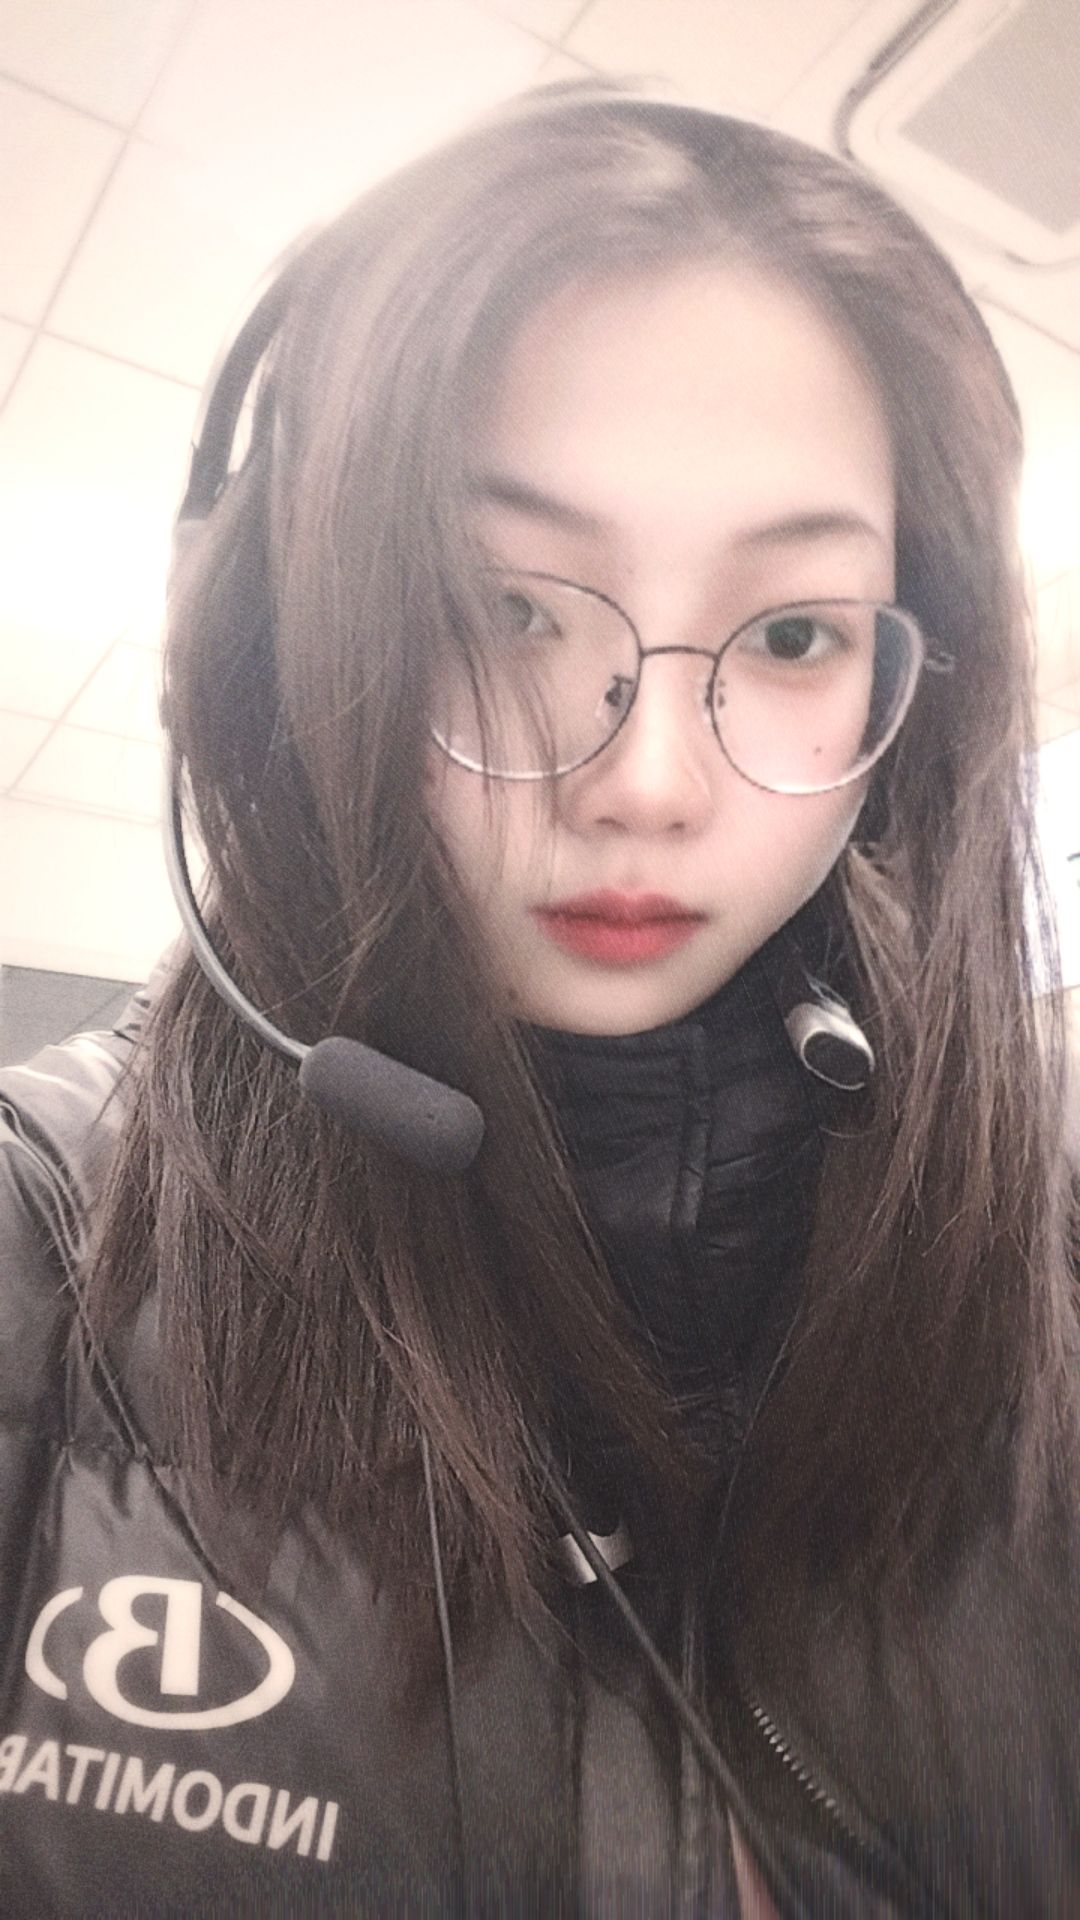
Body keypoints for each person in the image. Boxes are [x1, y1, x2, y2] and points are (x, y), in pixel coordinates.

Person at [0, 79, 1077, 1917]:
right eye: (506, 610)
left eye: (794, 632)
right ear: (285, 631)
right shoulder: (48, 1242)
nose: (648, 782)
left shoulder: (1042, 1271)